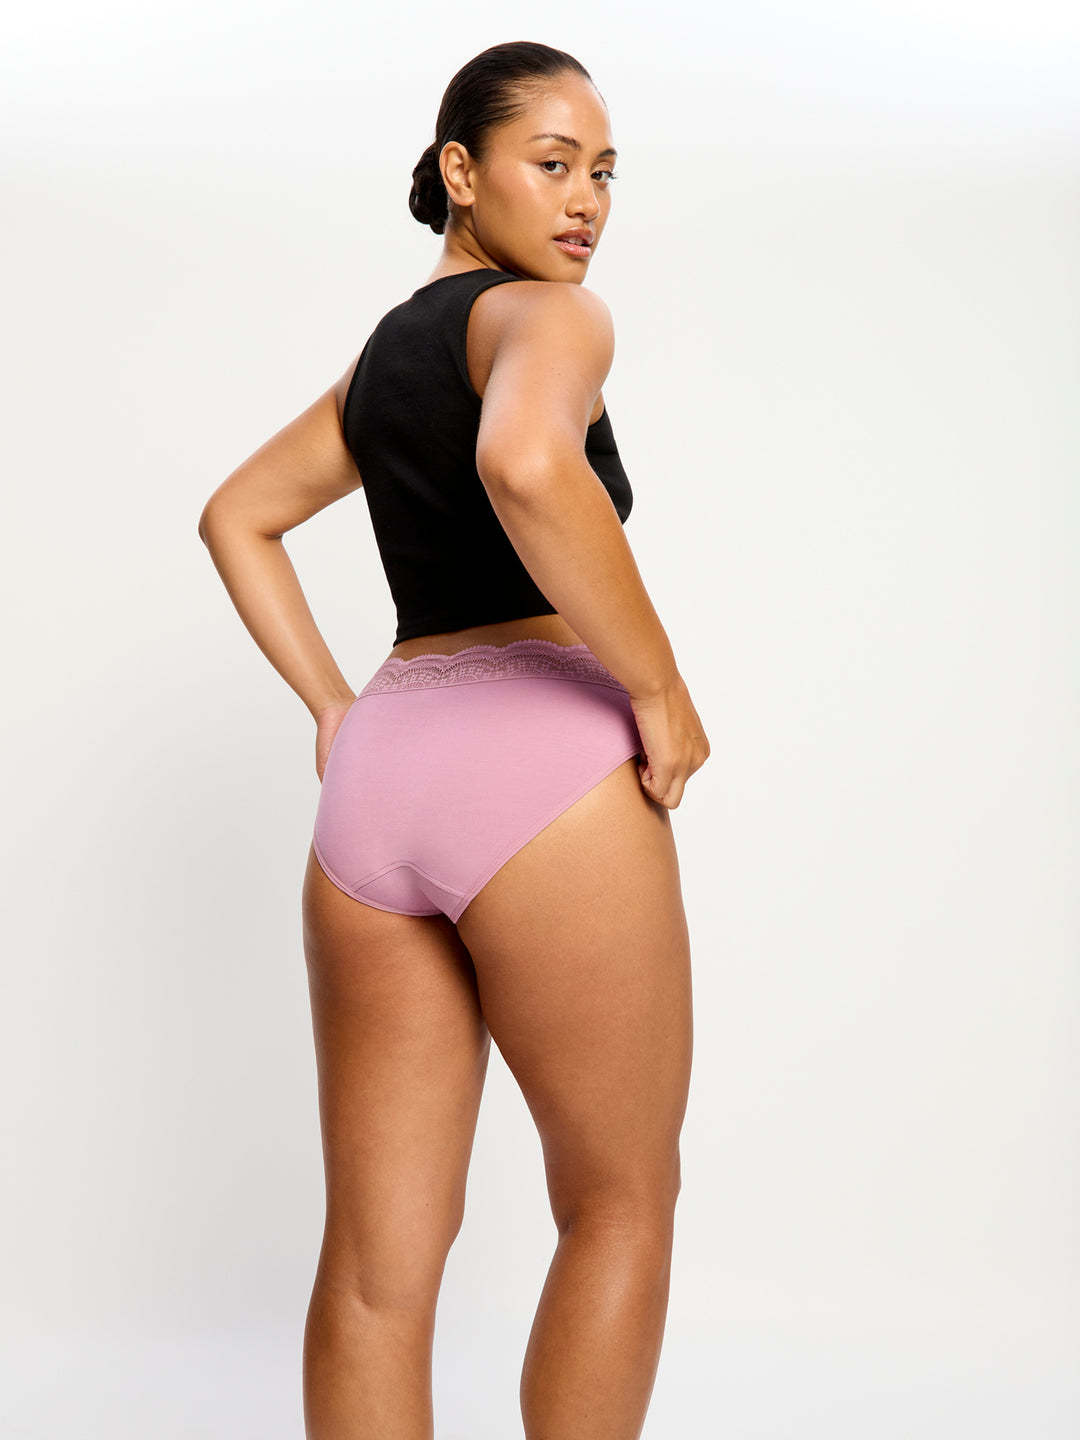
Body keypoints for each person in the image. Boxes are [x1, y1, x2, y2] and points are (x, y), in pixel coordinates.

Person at [198, 38, 710, 1440]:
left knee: (377, 1268)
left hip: (382, 782)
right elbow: (527, 463)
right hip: (540, 770)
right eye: (553, 163)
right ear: (460, 172)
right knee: (620, 1201)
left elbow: (237, 516)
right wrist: (658, 687)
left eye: (604, 172)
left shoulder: (382, 362)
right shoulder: (550, 318)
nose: (586, 201)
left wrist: (332, 706)